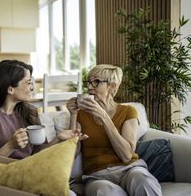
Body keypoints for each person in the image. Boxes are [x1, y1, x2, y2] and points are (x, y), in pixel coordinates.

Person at [66, 64, 162, 196]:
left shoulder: (128, 111)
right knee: (104, 192)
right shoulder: (81, 114)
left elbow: (126, 155)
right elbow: (72, 151)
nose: (89, 87)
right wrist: (73, 114)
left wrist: (105, 118)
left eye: (96, 82)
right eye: (88, 82)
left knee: (143, 181)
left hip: (129, 169)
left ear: (112, 86)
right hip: (96, 176)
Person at [0, 60, 85, 160]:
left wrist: (59, 138)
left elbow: (39, 153)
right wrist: (10, 146)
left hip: (29, 173)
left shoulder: (29, 112)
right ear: (10, 89)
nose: (32, 88)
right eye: (28, 83)